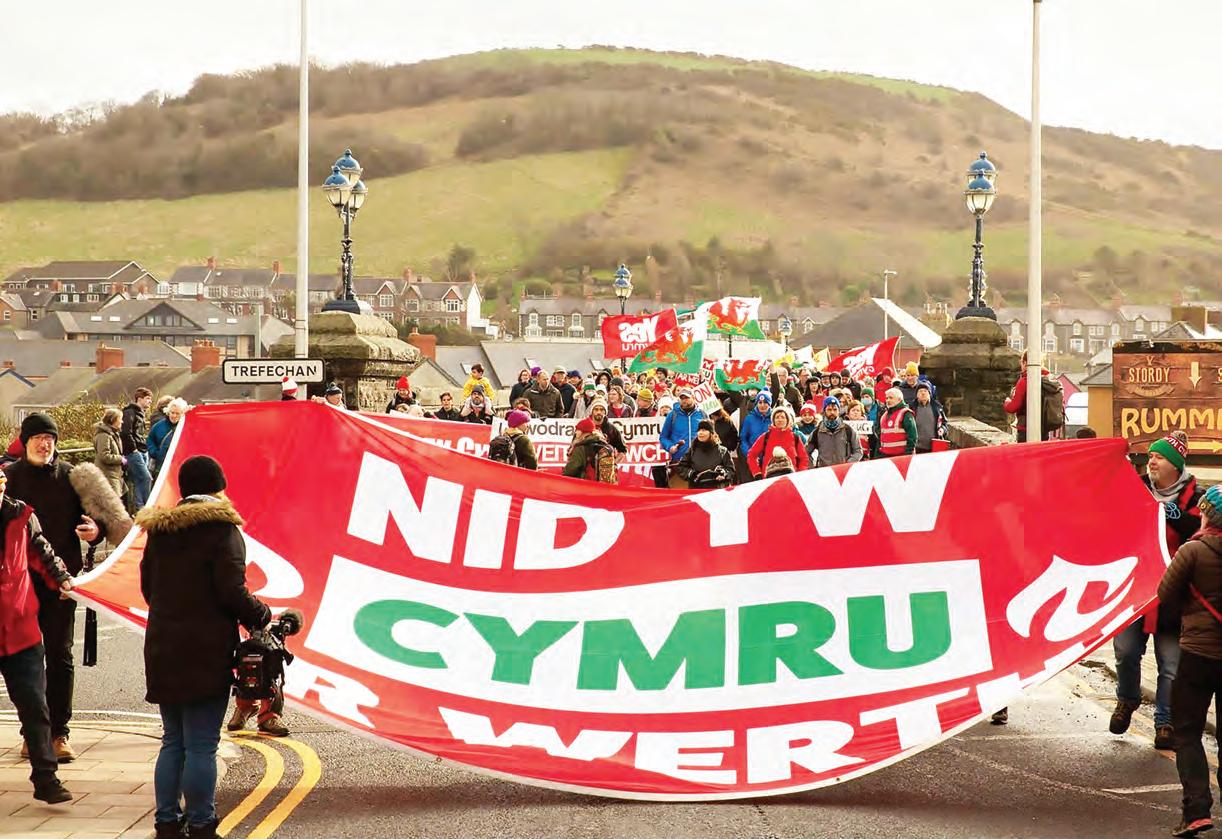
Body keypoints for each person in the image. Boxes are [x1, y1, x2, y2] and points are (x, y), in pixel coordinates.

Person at [138, 456, 271, 839]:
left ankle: (166, 822)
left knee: (173, 741)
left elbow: (148, 588)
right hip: (205, 648)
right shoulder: (222, 531)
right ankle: (201, 824)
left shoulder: (160, 531)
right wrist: (261, 614)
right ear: (218, 488)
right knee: (201, 744)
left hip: (163, 645)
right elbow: (232, 591)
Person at [5, 413, 106, 763]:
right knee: (25, 660)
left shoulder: (71, 477)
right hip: (18, 585)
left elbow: (97, 521)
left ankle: (59, 733)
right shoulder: (9, 478)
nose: (45, 444)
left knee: (60, 656)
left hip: (61, 582)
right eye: (38, 438)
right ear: (26, 442)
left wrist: (95, 532)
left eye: (50, 439)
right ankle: (32, 734)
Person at [1110, 432, 1200, 749]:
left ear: (1175, 465)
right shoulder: (1136, 487)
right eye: (1150, 456)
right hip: (1135, 590)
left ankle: (1165, 722)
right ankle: (1127, 699)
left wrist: (1174, 516)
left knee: (1171, 665)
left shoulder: (1195, 497)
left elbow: (1200, 531)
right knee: (1125, 652)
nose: (1152, 461)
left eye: (1159, 457)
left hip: (1173, 597)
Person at [0, 466, 76, 805]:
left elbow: (43, 554)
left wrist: (62, 580)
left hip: (21, 630)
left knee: (35, 706)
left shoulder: (22, 516)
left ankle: (46, 779)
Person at [1158, 484, 1222, 838]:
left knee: (1187, 731)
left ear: (1208, 515)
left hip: (1198, 654)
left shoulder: (1193, 551)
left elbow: (1164, 594)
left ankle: (1196, 811)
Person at [1003, 351, 1055, 442]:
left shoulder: (1025, 381)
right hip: (1044, 429)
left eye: (1021, 362)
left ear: (1025, 363)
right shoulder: (1049, 380)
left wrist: (1007, 402)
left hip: (1026, 429)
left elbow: (1013, 407)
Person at [747, 406, 808, 479]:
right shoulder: (766, 437)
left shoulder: (795, 438)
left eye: (783, 417)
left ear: (787, 420)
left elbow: (804, 458)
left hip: (791, 479)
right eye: (777, 417)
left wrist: (800, 474)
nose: (780, 420)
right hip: (769, 479)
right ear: (773, 420)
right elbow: (751, 455)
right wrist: (757, 473)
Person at [675, 419, 734, 489]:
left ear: (711, 433)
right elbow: (681, 467)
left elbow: (730, 470)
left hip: (716, 490)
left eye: (704, 430)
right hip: (696, 490)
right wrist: (692, 474)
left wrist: (723, 473)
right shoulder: (692, 450)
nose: (700, 433)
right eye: (699, 430)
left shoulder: (723, 451)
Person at [808, 396, 864, 468]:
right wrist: (812, 468)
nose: (832, 412)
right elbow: (806, 452)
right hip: (824, 471)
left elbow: (858, 451)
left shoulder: (848, 430)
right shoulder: (817, 432)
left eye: (835, 409)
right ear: (824, 411)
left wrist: (848, 464)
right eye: (829, 409)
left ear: (838, 411)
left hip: (843, 471)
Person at [120, 387, 153, 508]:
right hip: (134, 452)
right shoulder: (130, 412)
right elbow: (125, 432)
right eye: (148, 398)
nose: (150, 401)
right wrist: (134, 449)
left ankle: (139, 508)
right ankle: (146, 506)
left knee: (139, 480)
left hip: (142, 450)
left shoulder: (141, 413)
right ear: (139, 399)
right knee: (146, 478)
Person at [659, 388, 706, 467]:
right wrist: (670, 447)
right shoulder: (672, 414)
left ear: (693, 397)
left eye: (687, 398)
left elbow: (711, 436)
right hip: (679, 461)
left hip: (700, 460)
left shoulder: (702, 414)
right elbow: (663, 437)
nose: (684, 401)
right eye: (681, 398)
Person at [563, 418, 616, 483]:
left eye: (577, 430)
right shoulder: (604, 444)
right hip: (606, 486)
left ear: (583, 431)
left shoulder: (580, 448)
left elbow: (570, 470)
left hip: (586, 485)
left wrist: (564, 472)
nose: (576, 432)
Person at [148, 398, 188, 477]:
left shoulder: (186, 427)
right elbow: (150, 439)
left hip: (180, 465)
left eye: (177, 413)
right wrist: (155, 453)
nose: (174, 416)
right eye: (172, 412)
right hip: (161, 466)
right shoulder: (158, 426)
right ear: (168, 412)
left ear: (182, 414)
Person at [873, 388, 917, 458]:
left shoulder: (906, 414)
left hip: (901, 457)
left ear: (899, 399)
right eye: (887, 398)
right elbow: (880, 437)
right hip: (885, 456)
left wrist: (908, 454)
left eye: (891, 398)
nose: (888, 400)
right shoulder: (884, 415)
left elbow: (912, 436)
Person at [739, 391, 774, 480]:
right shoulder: (749, 418)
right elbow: (743, 438)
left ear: (769, 404)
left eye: (765, 402)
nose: (762, 405)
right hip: (754, 460)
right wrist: (749, 453)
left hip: (771, 460)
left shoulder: (774, 417)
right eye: (760, 402)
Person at [93, 407, 126, 497]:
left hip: (114, 474)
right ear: (112, 420)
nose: (122, 422)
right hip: (108, 475)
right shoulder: (104, 436)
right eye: (120, 419)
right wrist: (121, 459)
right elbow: (104, 456)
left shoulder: (113, 434)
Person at [911, 382, 948, 454]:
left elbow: (944, 423)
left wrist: (942, 429)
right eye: (920, 391)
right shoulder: (911, 408)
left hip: (934, 447)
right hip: (916, 448)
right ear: (917, 395)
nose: (923, 393)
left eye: (925, 391)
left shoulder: (937, 407)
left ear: (929, 394)